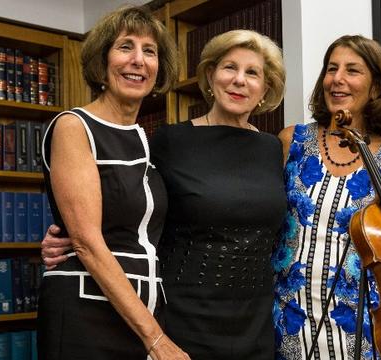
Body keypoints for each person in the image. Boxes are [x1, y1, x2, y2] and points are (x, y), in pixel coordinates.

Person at [41, 29, 287, 359]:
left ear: (266, 88)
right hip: (185, 316)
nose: (239, 80)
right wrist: (66, 236)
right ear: (211, 76)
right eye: (229, 68)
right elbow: (128, 202)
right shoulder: (170, 141)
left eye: (252, 72)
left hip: (255, 317)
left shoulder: (274, 149)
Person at [36, 5, 189, 359]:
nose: (138, 60)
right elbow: (87, 242)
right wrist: (156, 339)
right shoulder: (74, 127)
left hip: (145, 311)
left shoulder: (145, 139)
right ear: (102, 61)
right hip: (86, 315)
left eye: (149, 51)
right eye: (125, 47)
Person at [272, 34, 381, 360]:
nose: (337, 79)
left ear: (377, 87)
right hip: (286, 322)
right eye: (331, 68)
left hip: (362, 331)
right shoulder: (290, 141)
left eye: (352, 70)